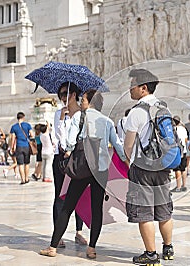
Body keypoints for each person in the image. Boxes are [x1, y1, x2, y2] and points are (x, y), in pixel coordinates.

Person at [40, 89, 127, 258]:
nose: (82, 102)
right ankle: (92, 248)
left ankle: (52, 247)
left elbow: (69, 143)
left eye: (84, 100)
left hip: (81, 168)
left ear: (90, 102)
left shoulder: (79, 117)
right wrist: (125, 161)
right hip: (100, 170)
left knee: (68, 206)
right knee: (97, 209)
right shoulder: (107, 121)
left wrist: (68, 151)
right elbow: (117, 145)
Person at [123, 69, 174, 265]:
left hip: (143, 167)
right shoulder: (163, 108)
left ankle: (151, 255)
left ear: (143, 88)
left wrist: (130, 163)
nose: (130, 89)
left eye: (133, 85)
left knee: (145, 212)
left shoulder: (137, 111)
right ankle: (168, 248)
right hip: (162, 166)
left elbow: (128, 145)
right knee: (163, 210)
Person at [51, 82, 87, 248]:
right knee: (59, 196)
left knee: (79, 195)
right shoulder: (59, 113)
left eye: (64, 93)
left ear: (73, 95)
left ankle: (79, 231)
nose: (61, 97)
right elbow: (57, 138)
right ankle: (57, 234)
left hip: (78, 158)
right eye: (60, 94)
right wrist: (61, 119)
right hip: (61, 158)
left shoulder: (84, 114)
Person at [10, 112, 34, 185]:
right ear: (23, 117)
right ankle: (26, 178)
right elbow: (32, 135)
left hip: (19, 146)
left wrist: (12, 147)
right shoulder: (27, 125)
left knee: (20, 164)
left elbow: (13, 138)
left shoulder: (14, 127)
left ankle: (22, 180)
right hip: (26, 146)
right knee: (26, 163)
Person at [171, 116, 188, 192]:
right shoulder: (183, 129)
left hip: (177, 151)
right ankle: (184, 185)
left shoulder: (174, 129)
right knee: (183, 168)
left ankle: (178, 186)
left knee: (177, 169)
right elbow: (186, 139)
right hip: (183, 150)